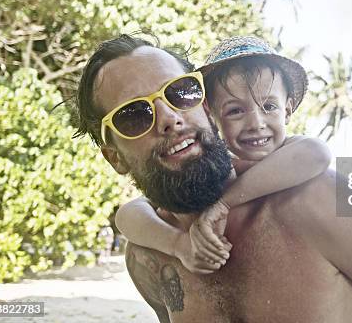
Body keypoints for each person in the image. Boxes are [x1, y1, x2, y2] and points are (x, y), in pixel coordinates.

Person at [74, 34, 352, 322]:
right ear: (115, 158)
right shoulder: (149, 256)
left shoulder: (317, 200)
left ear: (203, 107)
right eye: (133, 115)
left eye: (180, 92)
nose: (170, 118)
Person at [114, 36, 333, 273]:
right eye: (235, 111)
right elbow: (127, 215)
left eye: (269, 107)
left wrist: (223, 204)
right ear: (211, 116)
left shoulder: (293, 152)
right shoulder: (216, 170)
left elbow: (318, 153)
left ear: (287, 110)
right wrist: (179, 245)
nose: (256, 123)